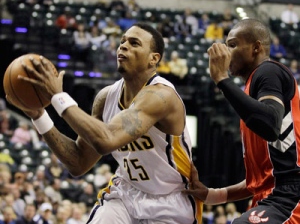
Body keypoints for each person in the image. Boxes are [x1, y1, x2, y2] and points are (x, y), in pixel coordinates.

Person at [14, 22, 202, 223]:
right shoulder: (105, 98)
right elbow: (78, 163)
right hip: (126, 193)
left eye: (134, 43)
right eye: (122, 41)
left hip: (170, 199)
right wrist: (39, 116)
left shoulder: (162, 96)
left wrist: (59, 98)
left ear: (153, 59)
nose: (123, 46)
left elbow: (107, 139)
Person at [184, 18, 300, 223]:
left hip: (290, 195)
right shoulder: (252, 95)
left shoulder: (268, 71)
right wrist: (212, 195)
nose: (227, 53)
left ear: (256, 48)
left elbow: (270, 124)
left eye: (233, 45)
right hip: (275, 196)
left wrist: (221, 79)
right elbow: (259, 180)